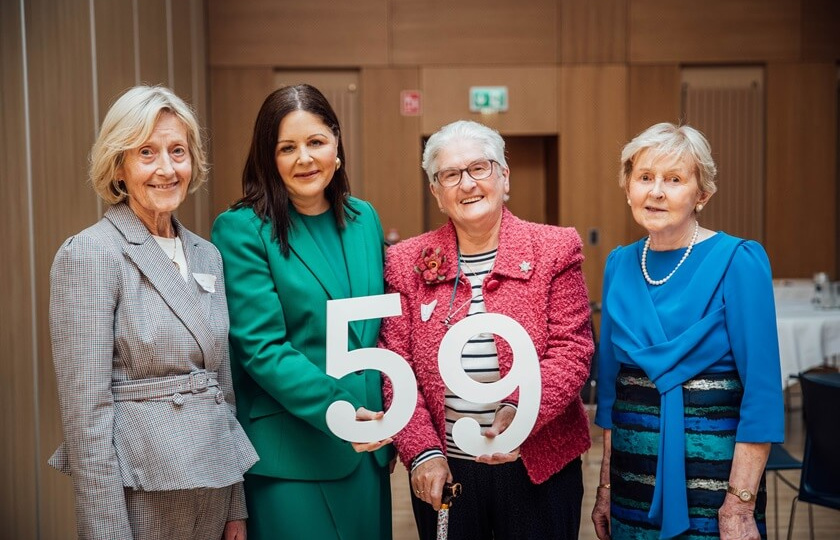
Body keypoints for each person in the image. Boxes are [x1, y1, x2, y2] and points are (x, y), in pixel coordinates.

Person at [48, 85, 259, 540]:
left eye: (177, 151)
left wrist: (235, 506)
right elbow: (87, 421)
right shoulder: (91, 253)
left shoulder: (207, 256)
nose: (166, 169)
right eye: (146, 152)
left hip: (215, 488)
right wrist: (106, 532)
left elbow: (222, 389)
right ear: (119, 165)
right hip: (143, 495)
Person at [379, 120, 594, 539]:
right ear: (436, 193)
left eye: (480, 168)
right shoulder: (406, 262)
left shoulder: (554, 248)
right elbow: (395, 367)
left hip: (537, 464)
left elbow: (572, 350)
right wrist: (422, 453)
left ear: (504, 177)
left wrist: (519, 413)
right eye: (451, 175)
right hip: (447, 468)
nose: (468, 184)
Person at [211, 84, 393, 540]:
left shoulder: (363, 218)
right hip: (292, 461)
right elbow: (262, 348)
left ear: (336, 144)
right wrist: (340, 410)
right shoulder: (242, 229)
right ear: (267, 158)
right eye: (286, 148)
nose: (305, 159)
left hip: (367, 453)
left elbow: (376, 330)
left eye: (315, 142)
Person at [591, 122, 783, 540]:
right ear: (628, 188)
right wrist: (605, 489)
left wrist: (739, 504)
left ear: (702, 195)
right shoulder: (619, 265)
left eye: (674, 179)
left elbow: (763, 395)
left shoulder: (739, 261)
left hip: (715, 494)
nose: (656, 191)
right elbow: (610, 393)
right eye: (644, 178)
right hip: (631, 488)